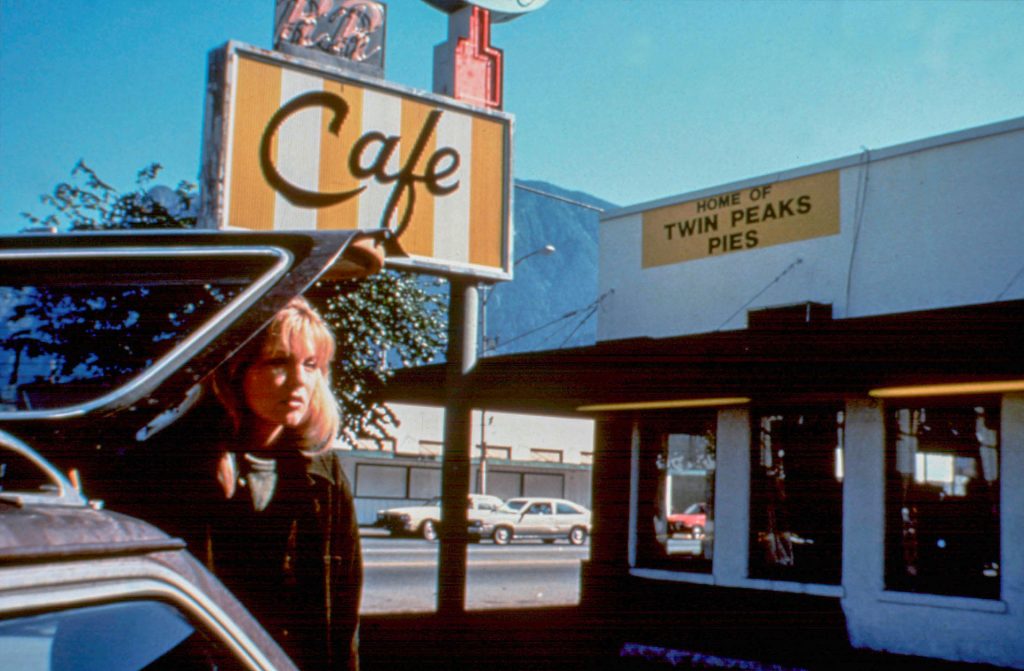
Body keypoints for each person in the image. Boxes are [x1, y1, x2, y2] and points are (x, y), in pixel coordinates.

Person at [121, 296, 362, 671]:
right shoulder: (173, 463)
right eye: (278, 361)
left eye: (311, 365)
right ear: (235, 370)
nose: (300, 380)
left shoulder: (323, 472)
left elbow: (343, 609)